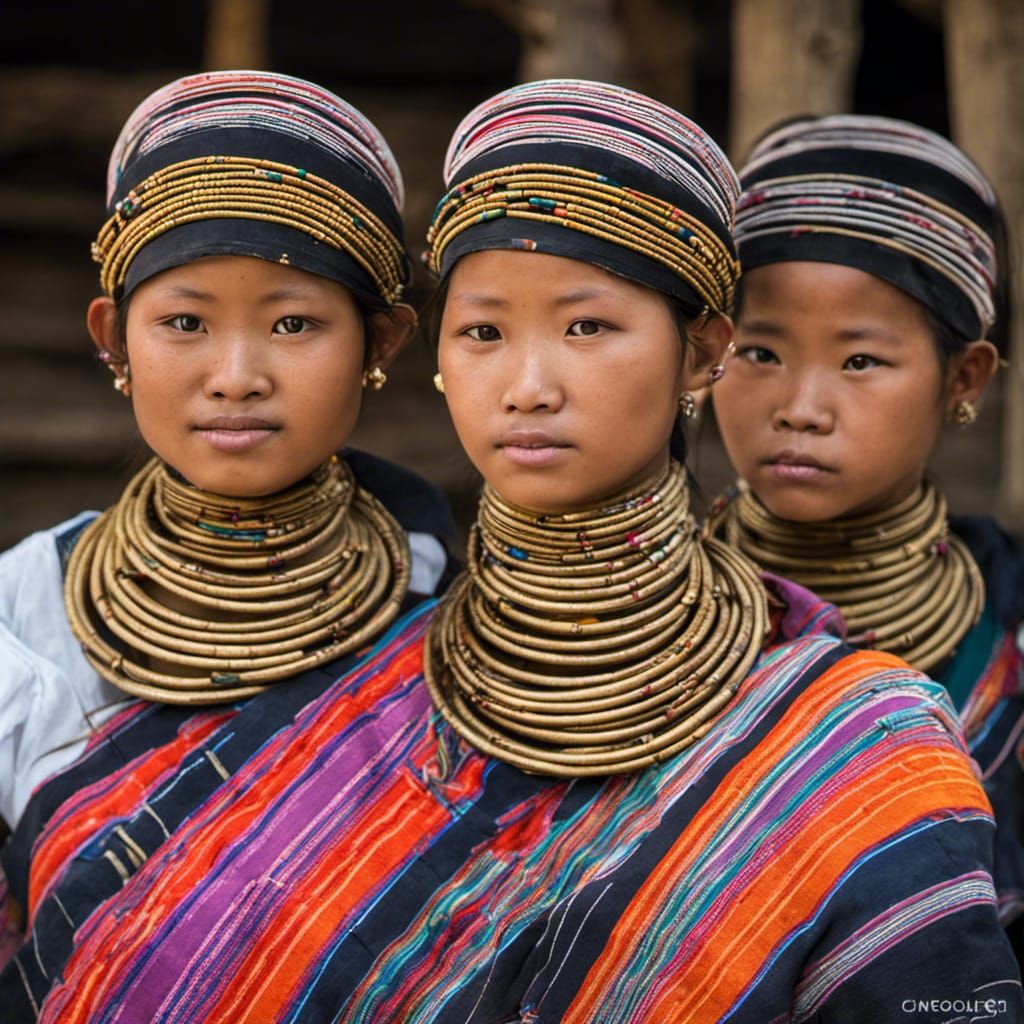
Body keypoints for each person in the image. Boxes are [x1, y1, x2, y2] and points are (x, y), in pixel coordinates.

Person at [0, 70, 453, 1020]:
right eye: (184, 323)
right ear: (112, 339)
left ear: (383, 343)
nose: (237, 375)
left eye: (294, 323)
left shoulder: (460, 626)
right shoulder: (22, 618)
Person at [707, 114, 1024, 948]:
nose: (800, 410)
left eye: (859, 361)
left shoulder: (1008, 640)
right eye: (762, 353)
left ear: (964, 377)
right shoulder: (637, 615)